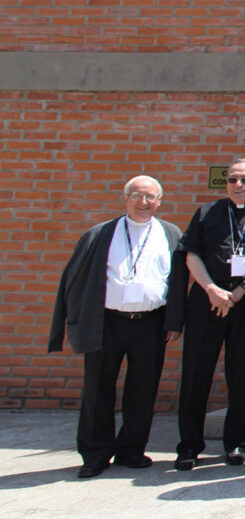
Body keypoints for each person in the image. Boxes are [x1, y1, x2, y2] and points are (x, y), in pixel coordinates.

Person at [49, 175, 185, 479]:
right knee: (97, 389)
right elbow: (75, 278)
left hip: (151, 323)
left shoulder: (170, 234)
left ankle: (132, 450)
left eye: (150, 197)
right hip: (107, 322)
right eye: (136, 195)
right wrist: (77, 319)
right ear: (125, 198)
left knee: (143, 390)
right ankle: (95, 454)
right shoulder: (100, 234)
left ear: (160, 201)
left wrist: (174, 321)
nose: (143, 203)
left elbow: (177, 282)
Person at [174, 159, 245, 470]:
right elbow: (191, 254)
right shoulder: (207, 212)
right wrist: (211, 289)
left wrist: (240, 292)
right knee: (195, 374)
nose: (238, 185)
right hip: (207, 303)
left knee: (241, 376)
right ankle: (189, 446)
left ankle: (235, 443)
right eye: (232, 179)